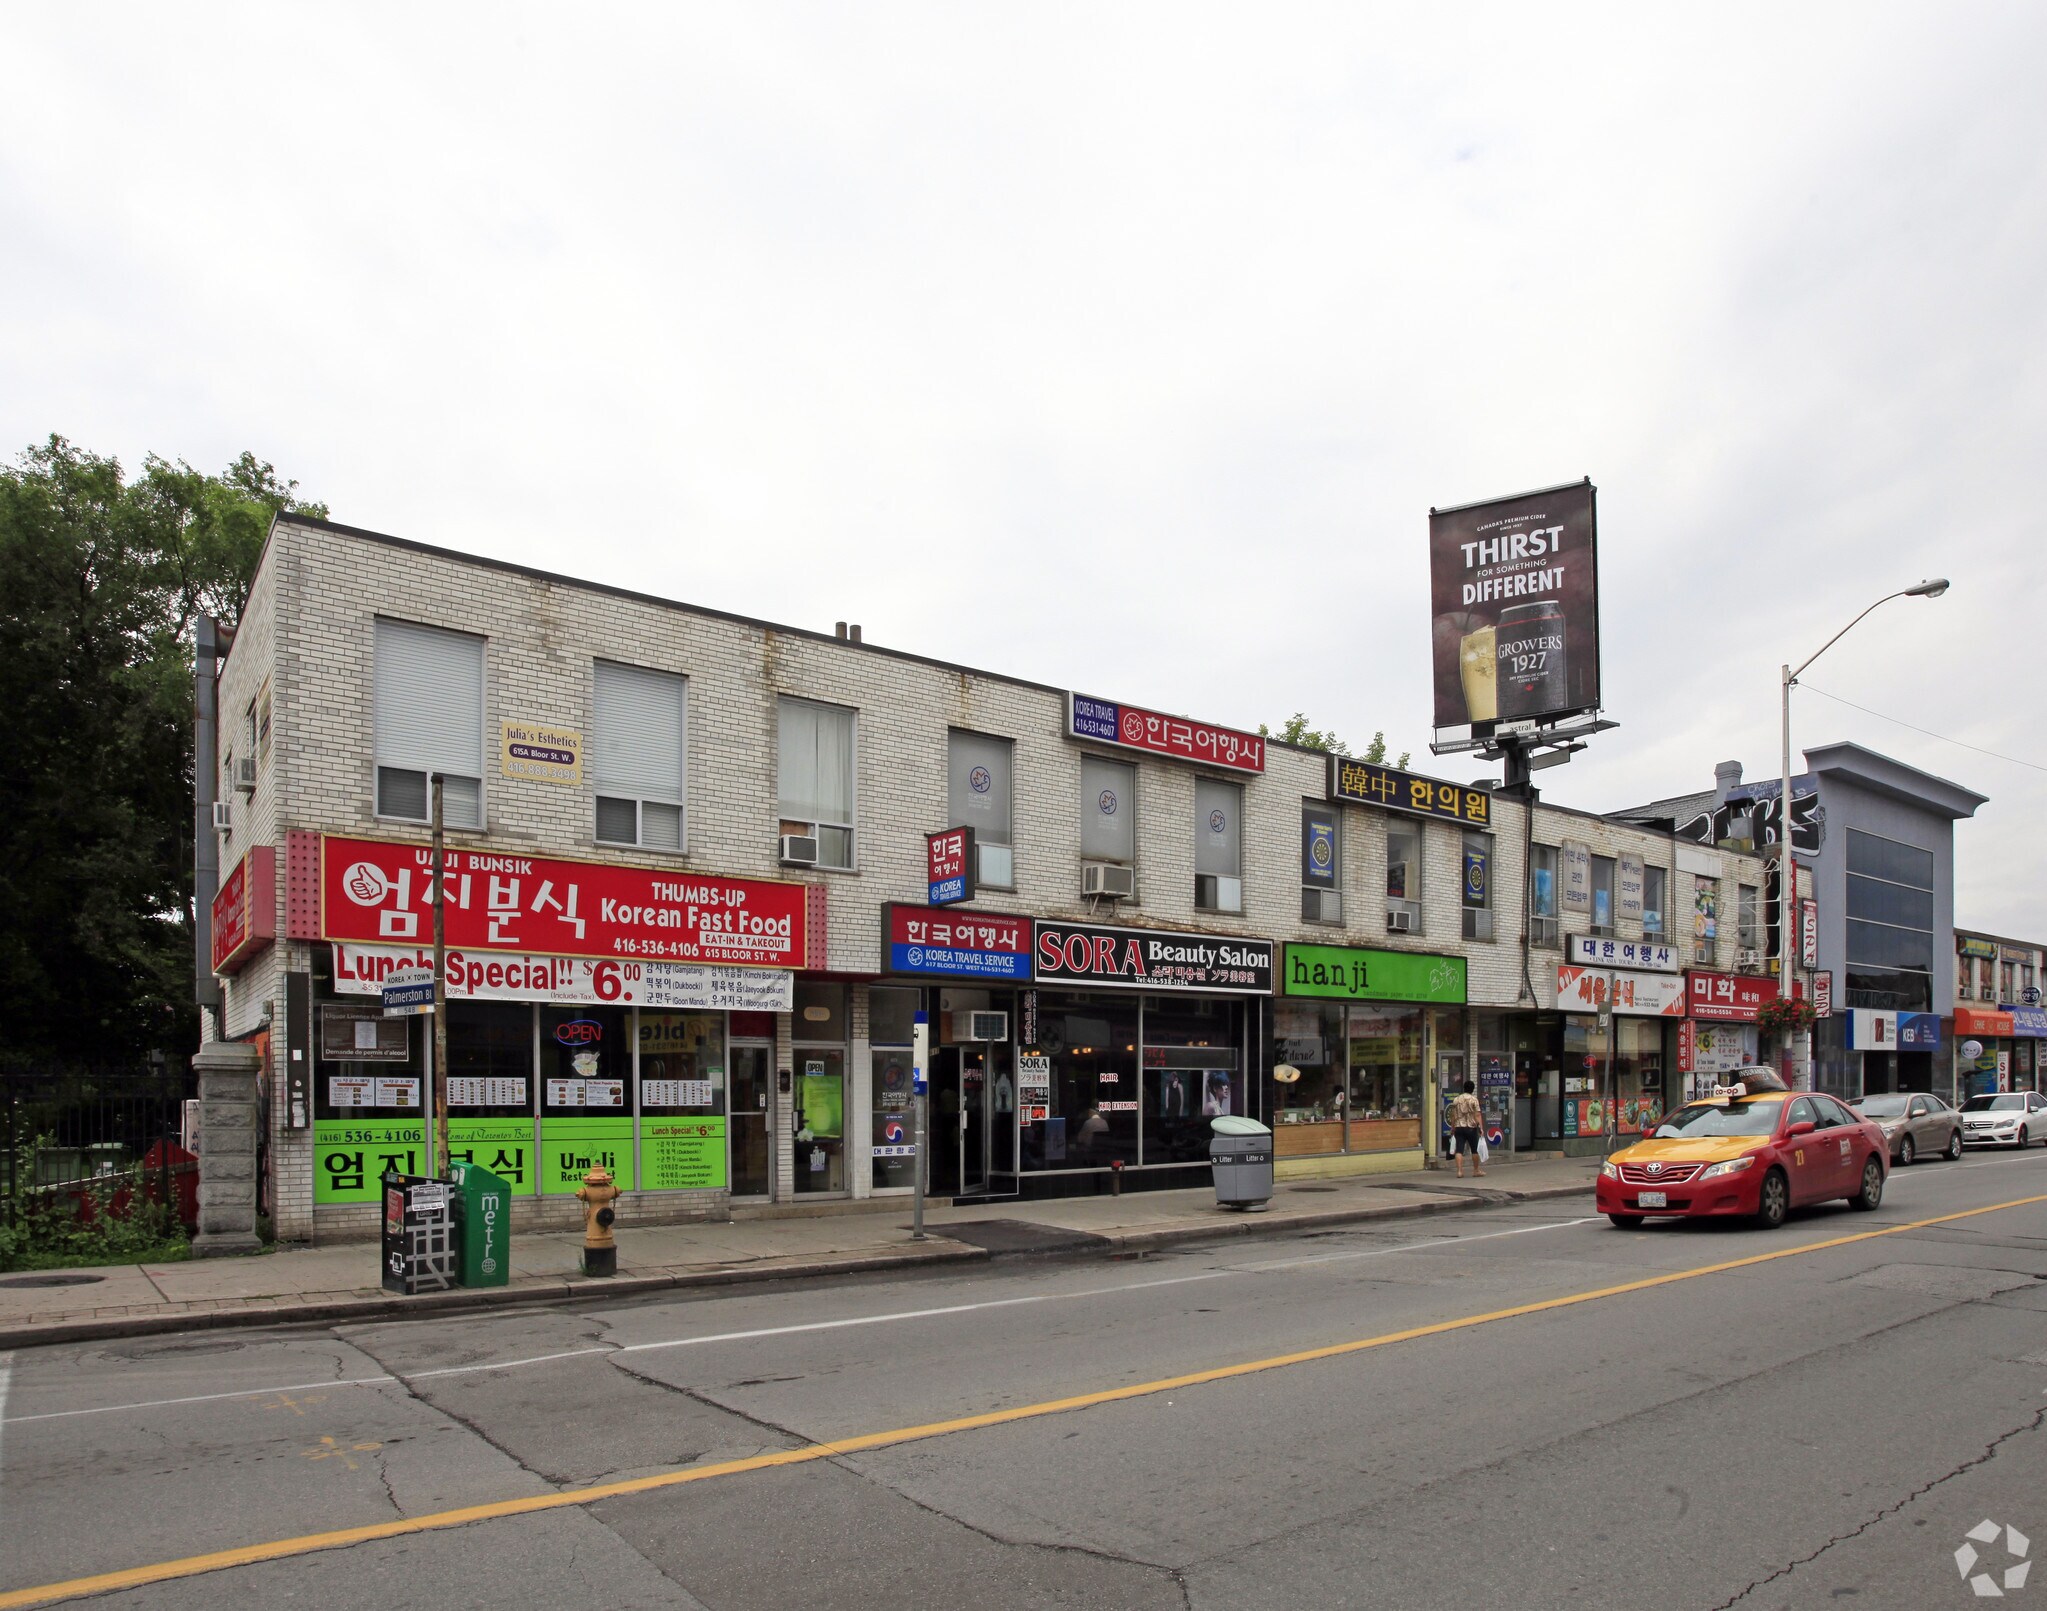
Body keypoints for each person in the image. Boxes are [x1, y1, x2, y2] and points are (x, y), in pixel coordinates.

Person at [1448, 1079, 1485, 1178]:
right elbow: (1477, 1115)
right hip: (1471, 1128)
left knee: (1459, 1149)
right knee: (1474, 1149)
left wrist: (1452, 1127)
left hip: (1459, 1127)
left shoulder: (1456, 1100)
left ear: (1464, 1088)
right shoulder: (1474, 1100)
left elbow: (1453, 1115)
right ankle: (1476, 1170)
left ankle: (1459, 1171)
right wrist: (1481, 1128)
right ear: (1472, 1089)